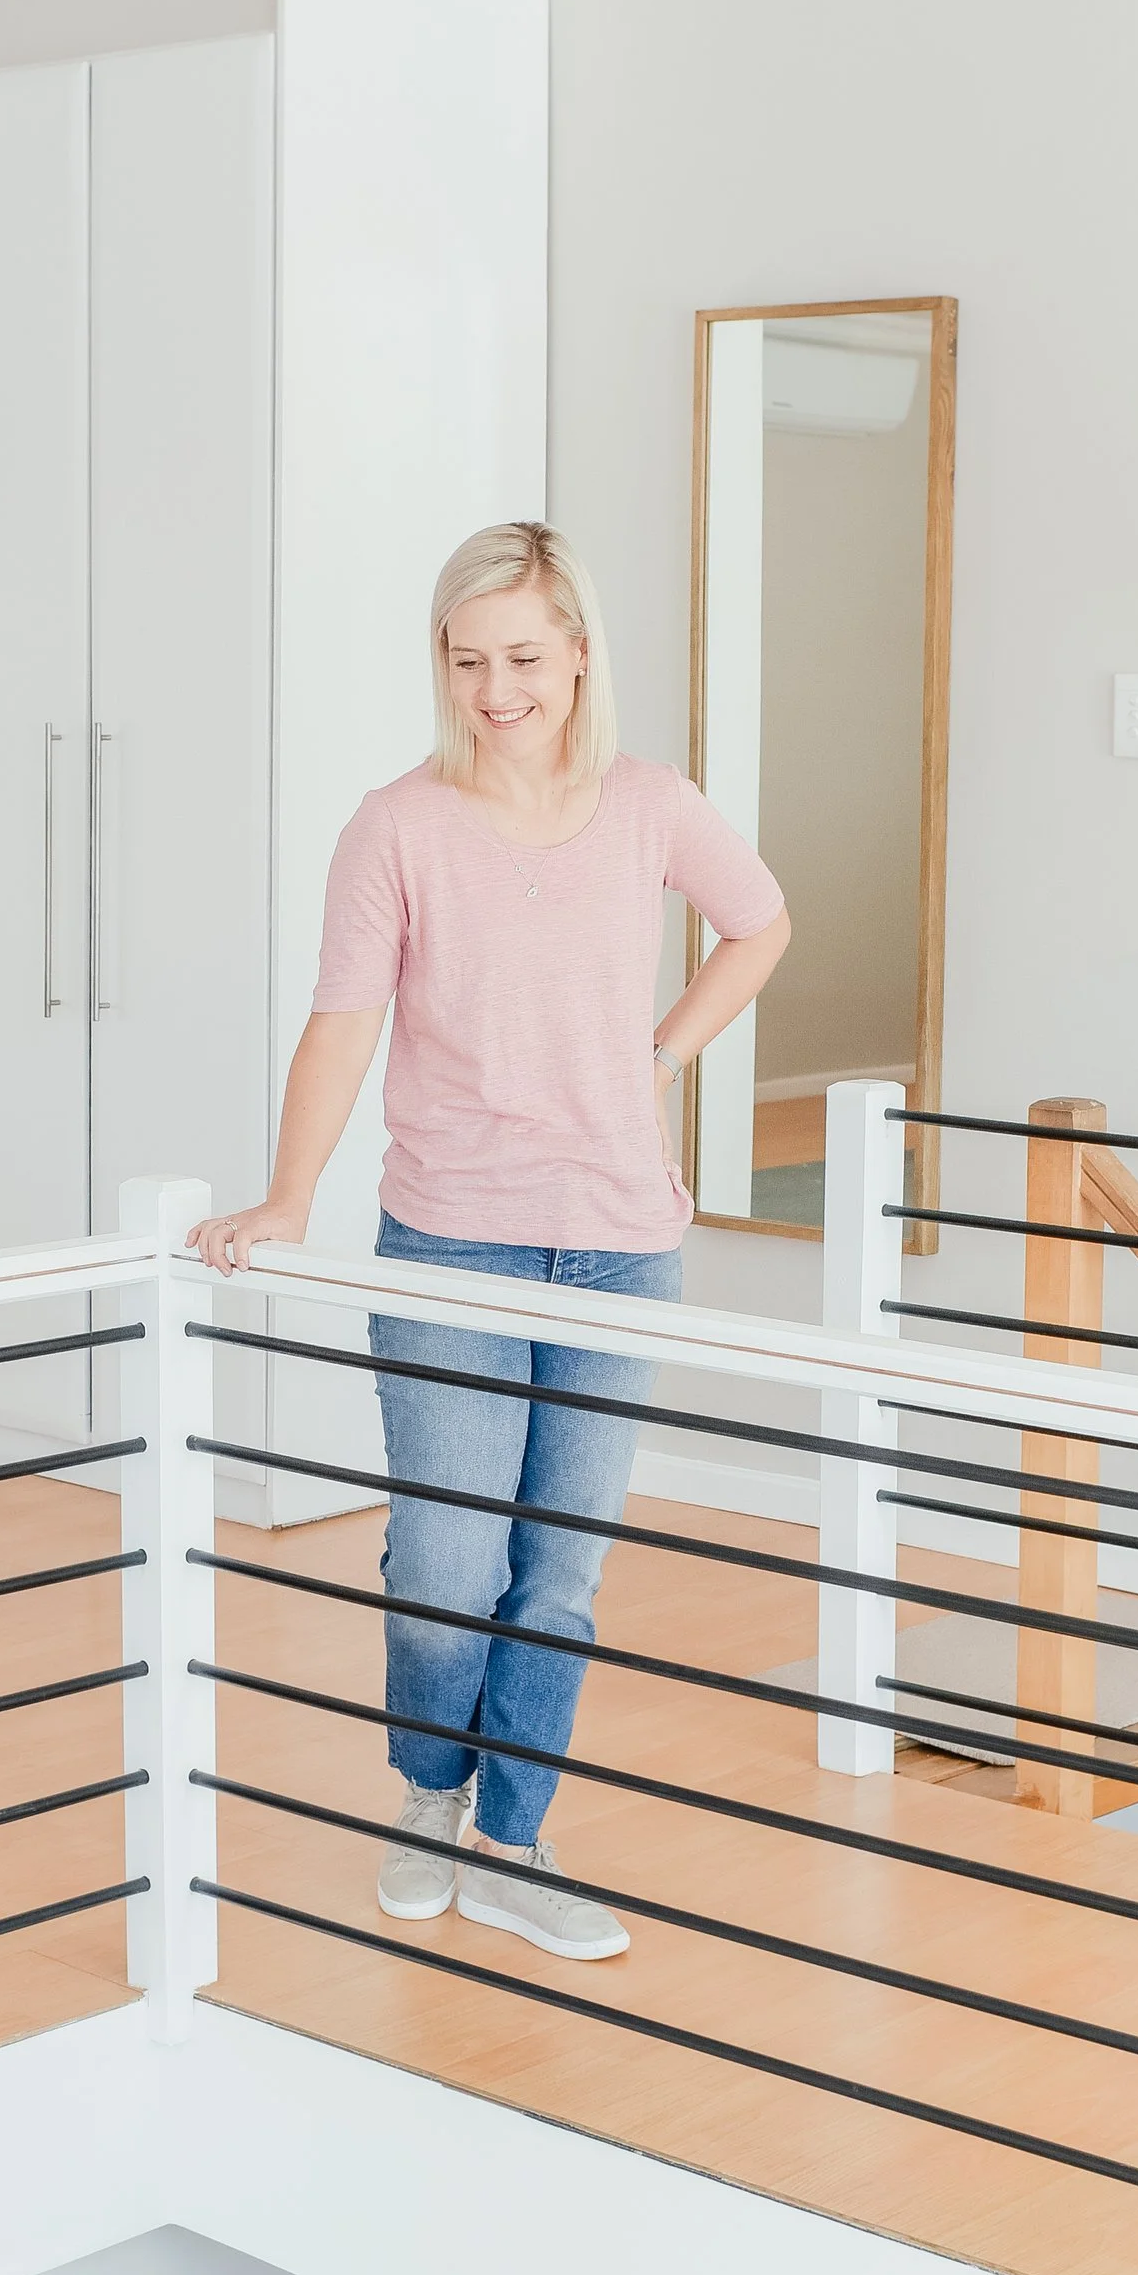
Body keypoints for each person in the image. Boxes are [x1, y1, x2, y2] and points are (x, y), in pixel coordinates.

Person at [191, 520, 790, 1963]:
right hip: (450, 1240)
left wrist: (660, 1057)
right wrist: (288, 1198)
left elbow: (757, 925)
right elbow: (344, 1022)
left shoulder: (651, 805)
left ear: (580, 654)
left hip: (620, 1242)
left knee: (561, 1568)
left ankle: (515, 1839)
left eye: (525, 657)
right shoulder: (396, 826)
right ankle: (427, 1797)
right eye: (469, 662)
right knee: (453, 1559)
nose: (498, 689)